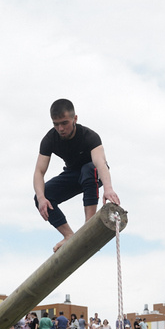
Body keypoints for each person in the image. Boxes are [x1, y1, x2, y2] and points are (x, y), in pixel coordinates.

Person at [33, 98, 120, 251]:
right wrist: (41, 198)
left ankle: (89, 225)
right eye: (56, 124)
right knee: (42, 195)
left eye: (64, 123)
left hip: (94, 172)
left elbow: (100, 163)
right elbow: (39, 172)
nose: (60, 128)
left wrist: (108, 188)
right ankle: (68, 235)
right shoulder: (49, 139)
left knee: (89, 169)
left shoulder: (89, 136)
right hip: (73, 175)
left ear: (75, 119)